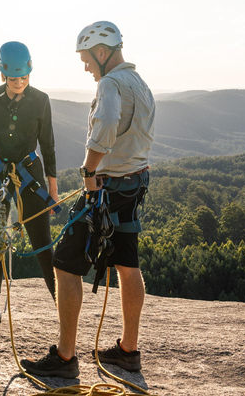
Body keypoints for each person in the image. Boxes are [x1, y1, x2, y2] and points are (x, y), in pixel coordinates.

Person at [21, 21, 155, 378]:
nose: (85, 67)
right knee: (128, 262)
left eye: (86, 59)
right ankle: (128, 350)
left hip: (105, 187)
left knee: (65, 264)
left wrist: (88, 172)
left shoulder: (111, 84)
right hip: (133, 183)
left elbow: (106, 124)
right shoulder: (140, 84)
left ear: (101, 52)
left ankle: (65, 358)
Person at [0, 41, 60, 324]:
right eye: (13, 77)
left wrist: (53, 192)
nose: (19, 82)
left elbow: (49, 146)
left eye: (24, 77)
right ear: (3, 74)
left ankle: (63, 311)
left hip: (29, 177)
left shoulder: (41, 99)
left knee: (43, 245)